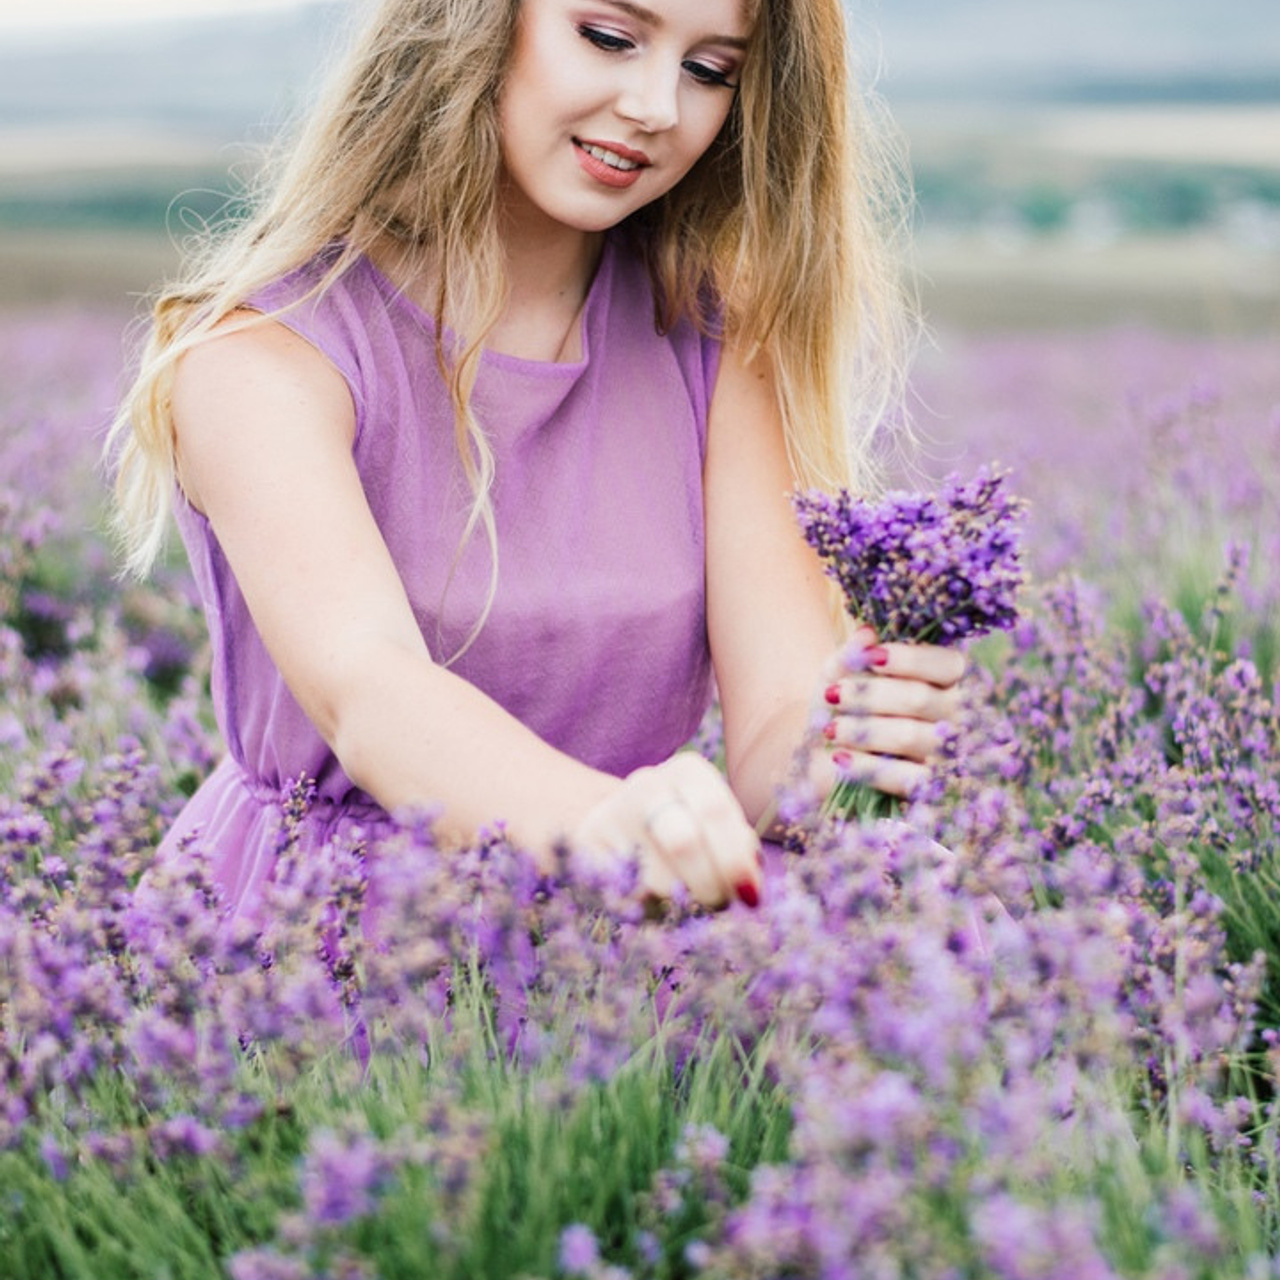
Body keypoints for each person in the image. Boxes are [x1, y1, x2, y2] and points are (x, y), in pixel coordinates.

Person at [106, 0, 964, 923]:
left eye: (711, 70)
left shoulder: (717, 339)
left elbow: (773, 720)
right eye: (609, 37)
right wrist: (602, 825)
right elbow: (368, 689)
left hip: (633, 912)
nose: (657, 107)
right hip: (330, 932)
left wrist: (842, 748)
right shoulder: (268, 350)